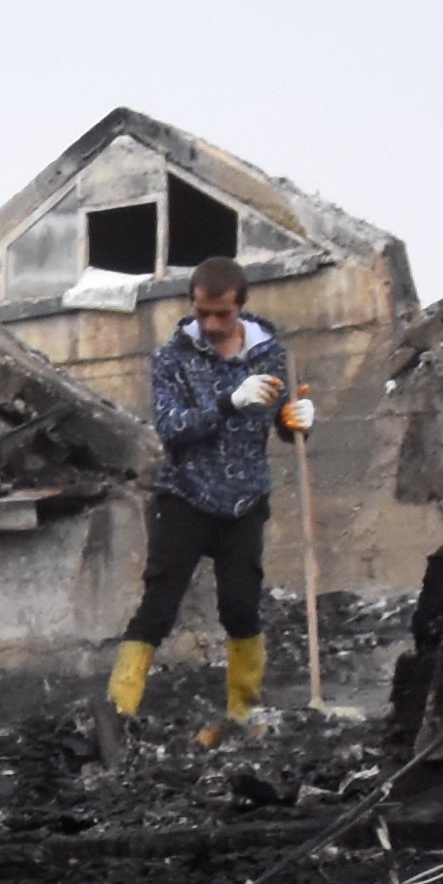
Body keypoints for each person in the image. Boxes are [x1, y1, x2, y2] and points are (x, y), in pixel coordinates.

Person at [114, 257, 311, 739]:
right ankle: (117, 712)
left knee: (241, 608)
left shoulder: (272, 356)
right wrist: (227, 402)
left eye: (222, 314)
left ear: (240, 306)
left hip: (244, 501)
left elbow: (286, 434)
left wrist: (299, 421)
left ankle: (244, 710)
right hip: (186, 496)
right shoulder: (172, 359)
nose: (211, 324)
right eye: (203, 313)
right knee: (158, 606)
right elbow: (172, 429)